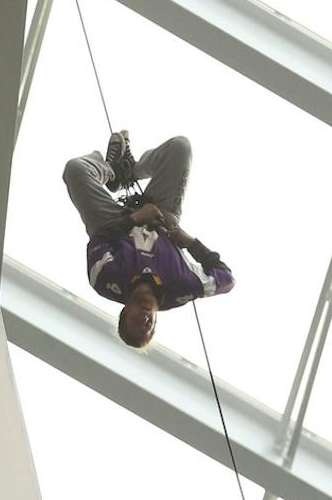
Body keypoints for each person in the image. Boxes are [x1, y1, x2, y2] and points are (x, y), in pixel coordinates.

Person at [62, 131, 233, 351]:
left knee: (75, 170)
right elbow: (226, 279)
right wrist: (190, 242)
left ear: (125, 311)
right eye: (148, 327)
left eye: (135, 322)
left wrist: (134, 219)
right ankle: (130, 170)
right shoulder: (182, 287)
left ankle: (114, 170)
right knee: (180, 147)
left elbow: (99, 240)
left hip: (113, 223)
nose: (144, 320)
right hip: (163, 219)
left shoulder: (106, 281)